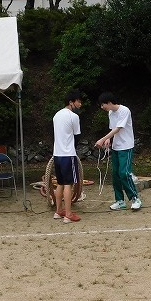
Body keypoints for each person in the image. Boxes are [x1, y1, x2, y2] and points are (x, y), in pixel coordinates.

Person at [94, 92, 141, 210]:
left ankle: (135, 198)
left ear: (109, 102)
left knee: (124, 173)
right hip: (116, 146)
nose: (102, 107)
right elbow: (113, 128)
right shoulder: (111, 113)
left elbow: (119, 128)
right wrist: (108, 139)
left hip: (126, 146)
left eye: (103, 104)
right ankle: (120, 201)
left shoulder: (124, 110)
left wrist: (102, 139)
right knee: (115, 174)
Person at [52, 89, 83, 223]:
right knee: (68, 184)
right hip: (68, 154)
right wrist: (73, 150)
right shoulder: (73, 117)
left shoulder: (56, 115)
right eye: (78, 101)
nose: (80, 104)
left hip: (57, 154)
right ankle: (68, 214)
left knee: (60, 183)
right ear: (71, 102)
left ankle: (58, 211)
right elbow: (77, 136)